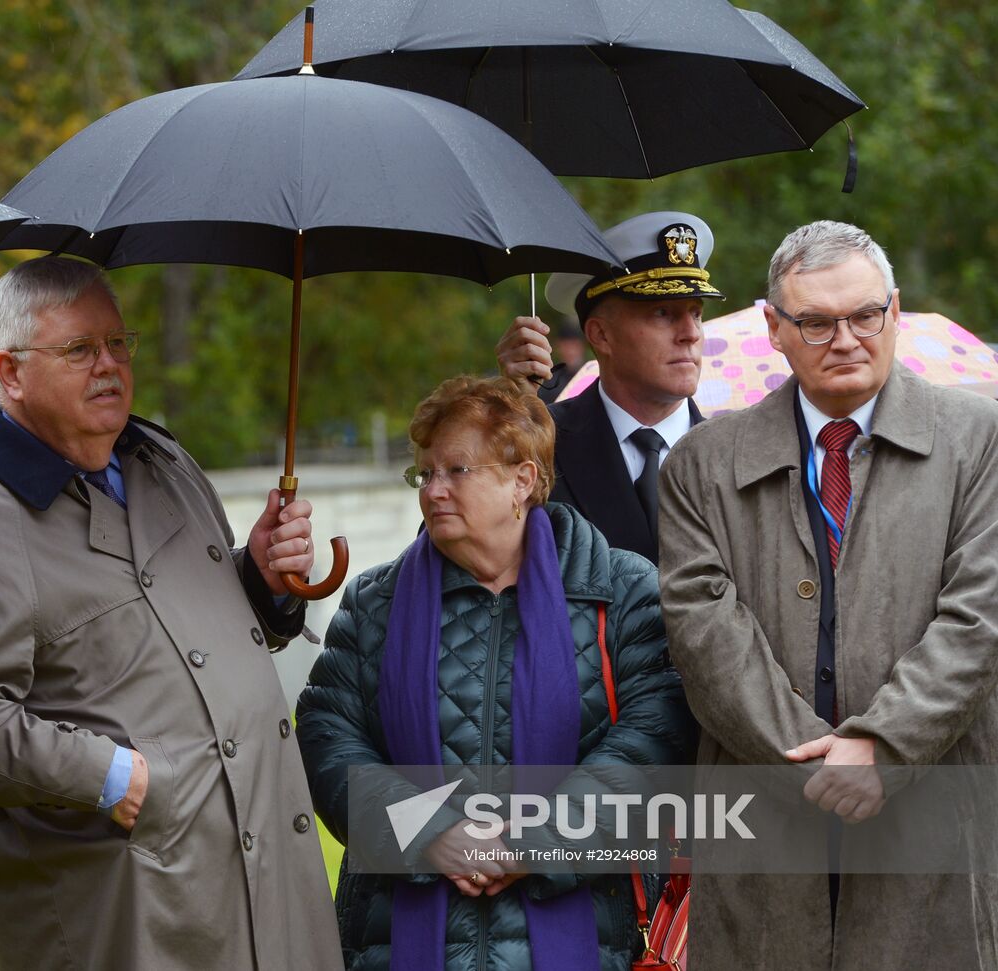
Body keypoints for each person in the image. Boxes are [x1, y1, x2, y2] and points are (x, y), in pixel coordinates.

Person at [0, 256, 341, 971]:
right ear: (10, 372)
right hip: (128, 906)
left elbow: (190, 627)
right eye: (78, 349)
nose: (109, 366)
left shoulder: (159, 459)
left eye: (117, 343)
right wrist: (113, 775)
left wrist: (260, 577)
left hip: (266, 885)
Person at [658, 220, 998, 968]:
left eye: (865, 315)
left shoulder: (980, 438)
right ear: (775, 327)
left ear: (895, 310)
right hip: (766, 823)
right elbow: (704, 632)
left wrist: (883, 745)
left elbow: (980, 619)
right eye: (815, 320)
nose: (845, 338)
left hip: (932, 811)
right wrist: (814, 768)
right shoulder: (700, 465)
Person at [298, 375, 695, 970]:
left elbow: (655, 739)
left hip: (585, 926)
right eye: (424, 473)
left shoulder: (623, 589)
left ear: (523, 480)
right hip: (403, 933)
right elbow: (328, 738)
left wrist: (530, 842)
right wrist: (432, 833)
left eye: (457, 471)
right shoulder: (375, 601)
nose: (433, 490)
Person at [496, 211, 725, 562]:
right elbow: (456, 552)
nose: (691, 333)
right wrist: (508, 419)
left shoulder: (736, 453)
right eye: (662, 312)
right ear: (601, 335)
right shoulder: (540, 442)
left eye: (695, 312)